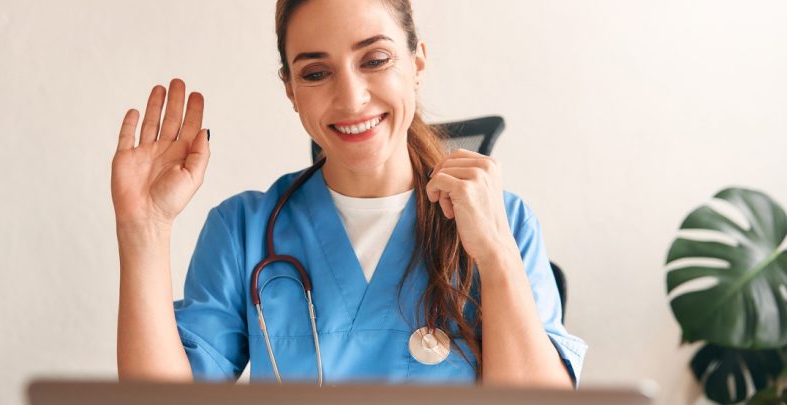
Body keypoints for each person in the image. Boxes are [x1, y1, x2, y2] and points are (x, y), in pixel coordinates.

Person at [111, 0, 586, 388]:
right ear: (291, 90)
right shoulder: (244, 232)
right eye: (316, 73)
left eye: (375, 60)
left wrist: (496, 257)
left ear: (417, 63)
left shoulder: (502, 220)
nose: (352, 97)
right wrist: (143, 230)